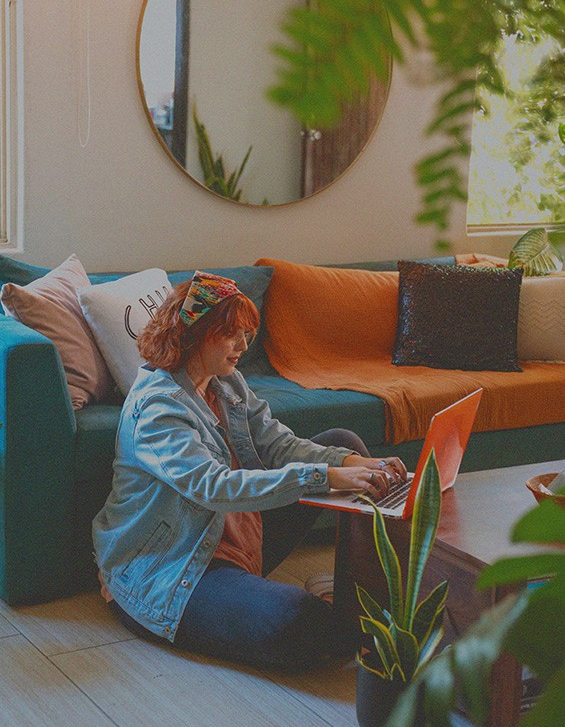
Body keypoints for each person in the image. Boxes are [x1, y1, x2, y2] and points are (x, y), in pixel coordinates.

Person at [93, 271, 407, 672]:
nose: (244, 346)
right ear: (197, 334)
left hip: (238, 532)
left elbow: (280, 445)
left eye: (246, 334)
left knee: (345, 444)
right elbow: (214, 488)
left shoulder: (227, 383)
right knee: (298, 619)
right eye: (233, 335)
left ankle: (358, 592)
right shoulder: (158, 409)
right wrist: (325, 478)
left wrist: (353, 465)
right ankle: (344, 617)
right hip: (177, 566)